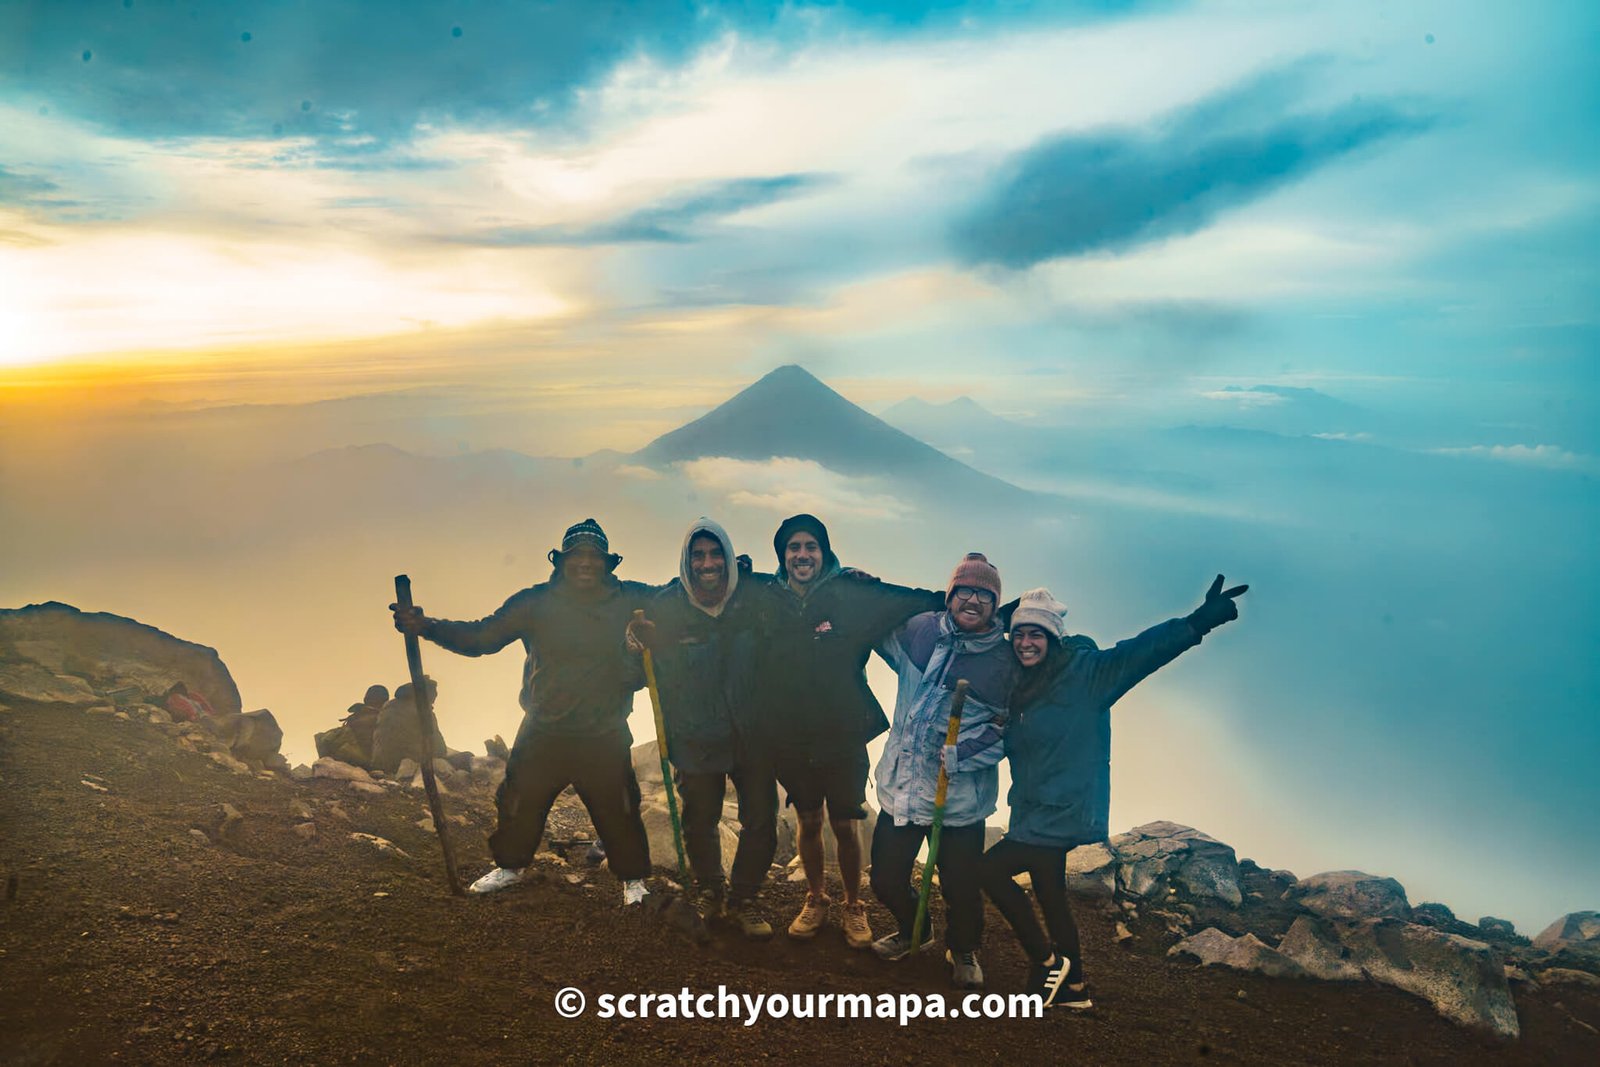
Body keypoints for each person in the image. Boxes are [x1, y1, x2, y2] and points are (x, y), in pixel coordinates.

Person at [982, 576, 1248, 1010]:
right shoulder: (1021, 687)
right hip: (1032, 808)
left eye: (1036, 634)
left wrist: (1200, 622)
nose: (1026, 643)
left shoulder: (1088, 673)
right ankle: (1075, 989)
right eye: (1020, 634)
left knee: (988, 872)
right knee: (1050, 894)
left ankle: (1049, 964)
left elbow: (1143, 652)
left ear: (1053, 636)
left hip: (1062, 809)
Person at [391, 518, 658, 905]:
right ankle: (511, 867)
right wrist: (426, 626)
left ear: (607, 562)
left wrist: (741, 583)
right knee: (518, 800)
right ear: (561, 561)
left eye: (594, 556)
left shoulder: (630, 599)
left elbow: (675, 599)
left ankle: (633, 881)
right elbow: (482, 636)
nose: (585, 562)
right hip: (544, 728)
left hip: (605, 731)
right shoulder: (535, 602)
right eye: (577, 555)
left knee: (620, 807)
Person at [756, 513, 943, 948]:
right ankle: (816, 898)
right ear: (783, 556)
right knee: (806, 818)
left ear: (824, 553)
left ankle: (854, 905)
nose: (803, 555)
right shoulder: (768, 598)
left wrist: (965, 601)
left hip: (842, 731)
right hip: (791, 732)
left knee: (845, 820)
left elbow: (906, 601)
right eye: (794, 548)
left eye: (811, 547)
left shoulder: (849, 593)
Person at [869, 552, 1017, 990]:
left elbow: (1010, 730)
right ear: (951, 595)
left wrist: (963, 754)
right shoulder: (921, 631)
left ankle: (964, 948)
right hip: (903, 785)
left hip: (960, 799)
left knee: (961, 886)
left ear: (995, 606)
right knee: (884, 877)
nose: (973, 600)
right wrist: (862, 587)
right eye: (965, 591)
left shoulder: (1004, 663)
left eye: (984, 595)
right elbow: (877, 632)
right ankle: (916, 925)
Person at [626, 518, 778, 939]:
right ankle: (711, 891)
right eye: (698, 555)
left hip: (753, 732)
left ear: (729, 558)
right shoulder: (665, 606)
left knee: (761, 819)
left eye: (715, 554)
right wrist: (633, 642)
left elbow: (801, 594)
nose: (707, 564)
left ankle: (744, 898)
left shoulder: (755, 597)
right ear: (686, 562)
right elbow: (636, 656)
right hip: (695, 732)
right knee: (699, 819)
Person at [370, 677, 449, 776]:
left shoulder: (390, 705)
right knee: (465, 758)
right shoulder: (423, 711)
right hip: (403, 764)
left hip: (381, 762)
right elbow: (439, 746)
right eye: (434, 695)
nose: (434, 700)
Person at [314, 684, 388, 768]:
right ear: (385, 701)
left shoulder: (357, 716)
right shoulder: (383, 718)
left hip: (349, 760)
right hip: (367, 762)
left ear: (365, 699)